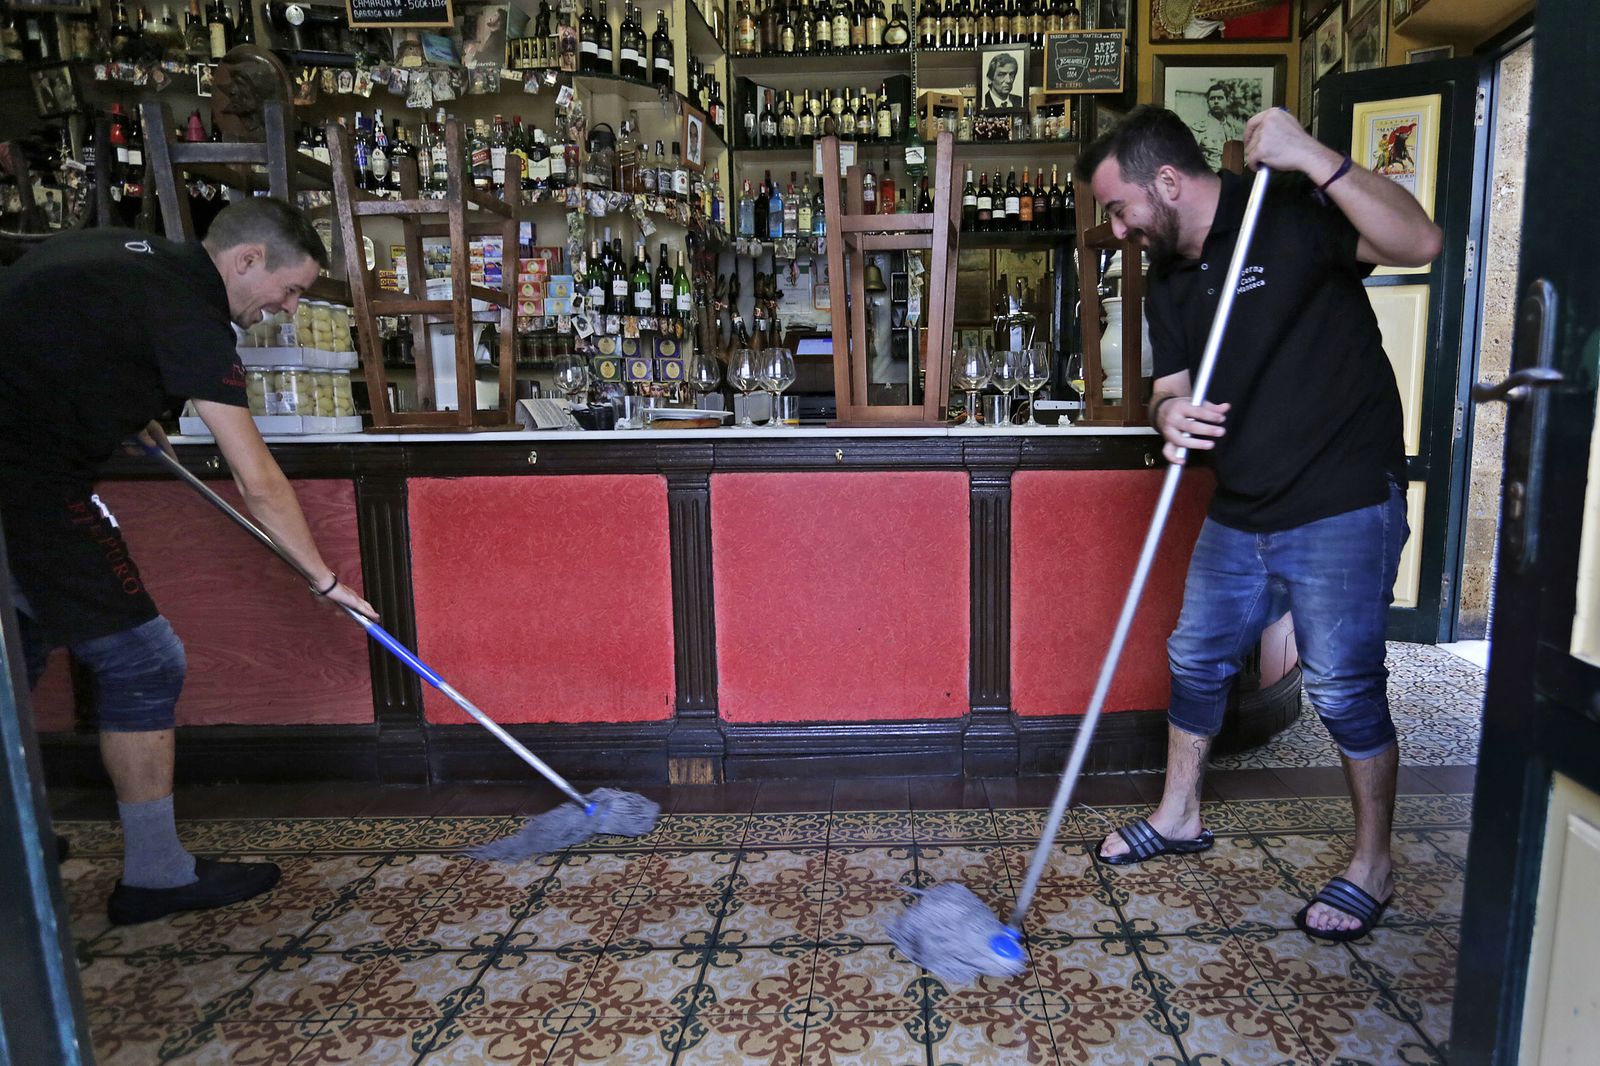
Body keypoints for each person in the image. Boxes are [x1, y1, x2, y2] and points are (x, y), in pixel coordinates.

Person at [1075, 106, 1442, 940]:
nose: (1118, 228)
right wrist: (1170, 417)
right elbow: (1171, 385)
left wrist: (1319, 157)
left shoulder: (1288, 207)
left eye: (1120, 207)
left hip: (1342, 493)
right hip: (1240, 504)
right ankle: (1178, 814)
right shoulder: (1167, 275)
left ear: (1167, 182)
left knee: (1344, 684)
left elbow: (1420, 243)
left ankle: (1373, 862)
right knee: (1196, 657)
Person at [0, 198, 378, 926]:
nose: (289, 309)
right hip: (25, 479)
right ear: (246, 260)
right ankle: (156, 876)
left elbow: (60, 336)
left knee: (17, 650)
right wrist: (324, 581)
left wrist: (126, 409)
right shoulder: (194, 315)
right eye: (290, 289)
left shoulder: (133, 258)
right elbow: (257, 479)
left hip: (25, 467)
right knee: (145, 661)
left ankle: (13, 844)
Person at [1191, 83, 1245, 171]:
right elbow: (1189, 159)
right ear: (1208, 102)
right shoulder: (1198, 129)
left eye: (1220, 98)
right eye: (1212, 99)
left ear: (1227, 101)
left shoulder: (1237, 128)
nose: (1216, 101)